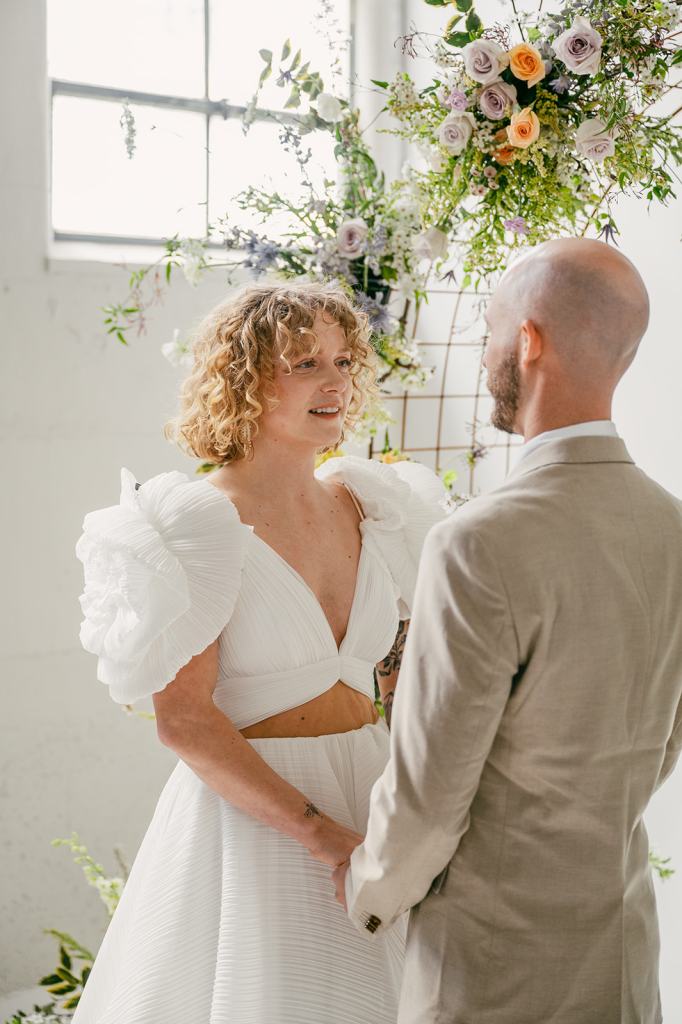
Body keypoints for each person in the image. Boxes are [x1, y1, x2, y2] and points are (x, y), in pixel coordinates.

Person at [73, 281, 450, 1024]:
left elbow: (400, 682)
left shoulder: (370, 504)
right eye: (305, 362)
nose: (336, 381)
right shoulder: (194, 523)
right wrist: (323, 837)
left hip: (374, 806)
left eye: (344, 360)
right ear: (243, 380)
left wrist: (417, 816)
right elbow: (183, 721)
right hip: (258, 830)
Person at [335, 238, 682, 1024]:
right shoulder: (673, 527)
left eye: (490, 328)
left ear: (528, 341)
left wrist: (366, 886)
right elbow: (662, 745)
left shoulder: (478, 542)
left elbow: (429, 795)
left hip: (489, 967)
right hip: (623, 950)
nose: (487, 349)